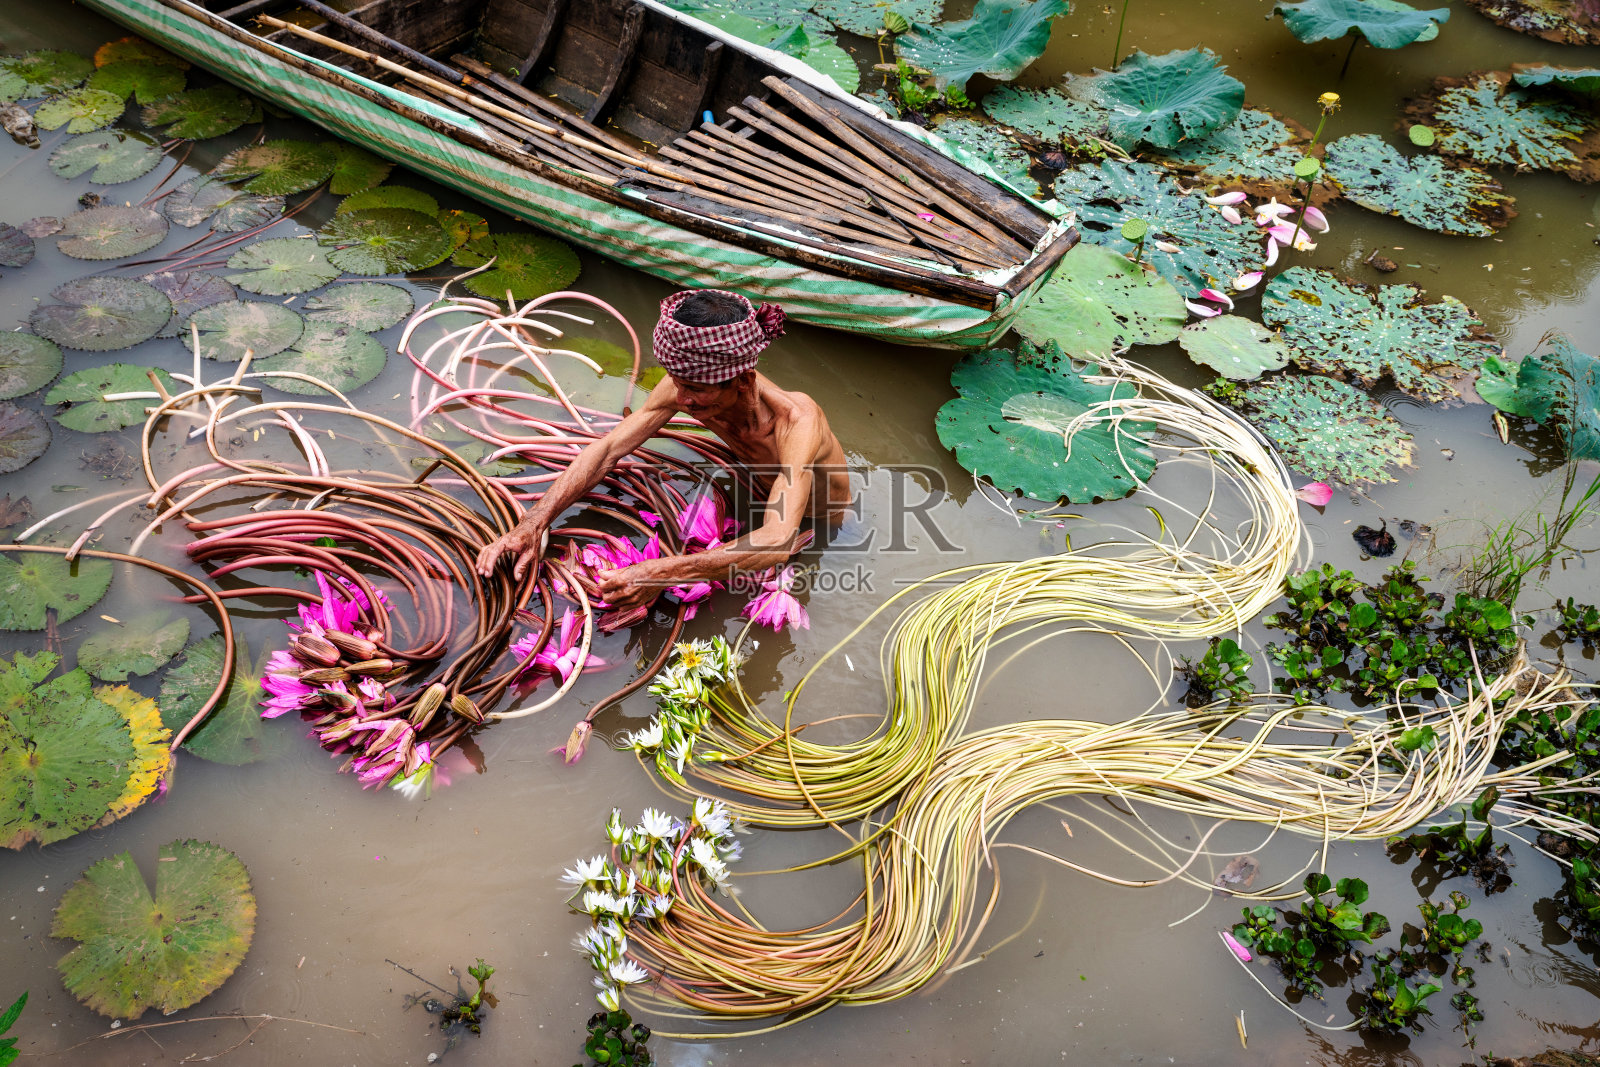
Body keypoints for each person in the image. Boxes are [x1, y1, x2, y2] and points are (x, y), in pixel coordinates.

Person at [474, 289, 850, 612]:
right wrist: (532, 523)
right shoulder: (687, 386)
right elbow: (606, 450)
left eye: (696, 390)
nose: (682, 399)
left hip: (823, 521)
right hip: (767, 495)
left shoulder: (798, 424)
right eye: (677, 382)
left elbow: (777, 540)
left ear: (744, 380)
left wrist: (650, 573)